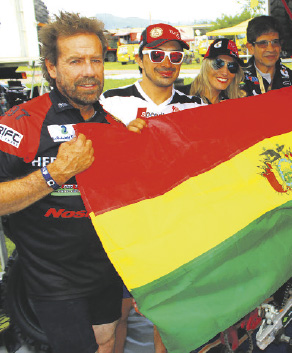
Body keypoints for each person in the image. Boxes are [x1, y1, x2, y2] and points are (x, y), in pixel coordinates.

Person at [0, 12, 124, 353]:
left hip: (107, 270)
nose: (88, 71)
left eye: (95, 60)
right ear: (52, 68)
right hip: (53, 277)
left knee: (106, 341)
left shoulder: (115, 123)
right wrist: (54, 174)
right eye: (75, 61)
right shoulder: (22, 122)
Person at [101, 23, 203, 352]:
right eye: (157, 53)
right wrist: (119, 141)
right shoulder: (110, 103)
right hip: (123, 228)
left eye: (175, 55)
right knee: (117, 315)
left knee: (168, 315)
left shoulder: (195, 107)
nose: (167, 61)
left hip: (174, 229)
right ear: (141, 59)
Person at [243, 15, 292, 96]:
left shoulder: (291, 78)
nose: (271, 49)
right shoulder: (238, 79)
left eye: (275, 42)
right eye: (263, 43)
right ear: (251, 48)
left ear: (280, 46)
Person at [178, 38, 245, 104]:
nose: (225, 72)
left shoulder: (233, 102)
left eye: (232, 66)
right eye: (218, 63)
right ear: (206, 65)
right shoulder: (180, 98)